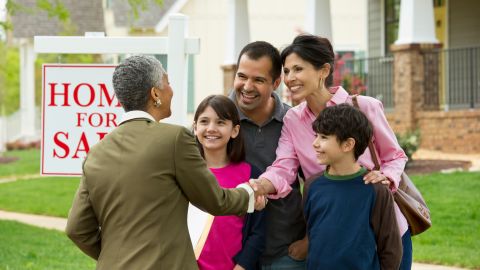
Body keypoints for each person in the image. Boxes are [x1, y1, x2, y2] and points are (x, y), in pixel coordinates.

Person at [66, 55, 264, 270]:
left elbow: (77, 228)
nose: (171, 89)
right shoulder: (175, 139)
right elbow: (215, 201)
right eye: (167, 82)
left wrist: (115, 257)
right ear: (155, 93)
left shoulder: (96, 153)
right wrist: (249, 194)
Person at [251, 34, 412, 269]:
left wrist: (385, 178)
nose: (290, 78)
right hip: (336, 237)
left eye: (298, 69)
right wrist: (260, 186)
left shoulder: (365, 107)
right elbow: (283, 167)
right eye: (286, 71)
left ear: (323, 70)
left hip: (381, 228)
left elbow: (395, 155)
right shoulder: (293, 119)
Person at [229, 41, 307, 269]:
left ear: (275, 83)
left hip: (285, 250)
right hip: (233, 250)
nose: (246, 86)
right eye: (242, 76)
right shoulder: (217, 121)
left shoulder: (293, 122)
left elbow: (318, 180)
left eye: (258, 80)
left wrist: (307, 242)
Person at [304, 104, 402, 269]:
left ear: (348, 145)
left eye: (324, 137)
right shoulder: (312, 186)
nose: (315, 143)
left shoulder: (375, 190)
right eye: (316, 136)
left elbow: (391, 250)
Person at [193, 95, 266, 270]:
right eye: (204, 121)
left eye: (220, 122)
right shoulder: (185, 174)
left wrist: (242, 266)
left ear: (234, 130)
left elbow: (259, 231)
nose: (211, 128)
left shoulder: (251, 175)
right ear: (195, 128)